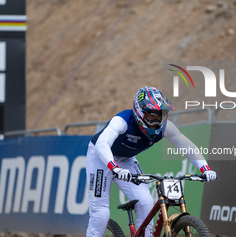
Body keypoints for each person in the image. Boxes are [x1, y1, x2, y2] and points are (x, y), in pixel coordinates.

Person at [86, 86, 217, 237]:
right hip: (100, 157)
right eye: (152, 117)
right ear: (139, 114)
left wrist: (205, 168)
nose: (157, 122)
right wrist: (114, 167)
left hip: (126, 159)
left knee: (146, 201)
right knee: (101, 213)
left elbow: (188, 147)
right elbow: (102, 144)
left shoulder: (165, 127)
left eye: (161, 116)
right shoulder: (121, 121)